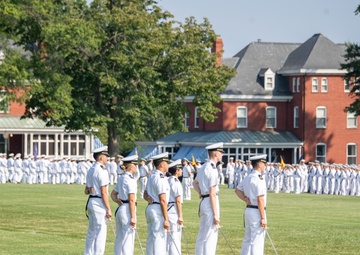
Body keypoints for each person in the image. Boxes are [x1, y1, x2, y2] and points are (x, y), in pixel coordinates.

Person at [193, 142, 224, 255]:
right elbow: (212, 193)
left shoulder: (203, 167)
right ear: (215, 153)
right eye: (220, 152)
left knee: (202, 233)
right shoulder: (213, 169)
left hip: (204, 201)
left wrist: (201, 192)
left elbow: (195, 183)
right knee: (211, 235)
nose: (222, 155)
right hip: (211, 202)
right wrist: (216, 215)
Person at [235, 154, 267, 255]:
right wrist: (262, 218)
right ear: (259, 165)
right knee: (257, 241)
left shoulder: (248, 177)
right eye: (264, 164)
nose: (265, 166)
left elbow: (237, 190)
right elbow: (260, 199)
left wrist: (245, 198)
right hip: (257, 211)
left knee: (247, 240)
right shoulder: (259, 179)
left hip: (249, 210)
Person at [84, 146, 112, 255]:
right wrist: (108, 209)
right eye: (105, 156)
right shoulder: (102, 170)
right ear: (101, 157)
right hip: (99, 202)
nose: (107, 159)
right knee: (101, 232)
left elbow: (87, 189)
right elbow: (104, 192)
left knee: (92, 231)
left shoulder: (91, 169)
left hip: (91, 200)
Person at [111, 155, 138, 255]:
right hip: (127, 209)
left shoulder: (122, 178)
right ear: (131, 166)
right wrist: (133, 217)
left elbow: (113, 194)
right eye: (135, 165)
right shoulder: (130, 180)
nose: (136, 167)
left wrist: (118, 202)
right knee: (128, 239)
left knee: (120, 237)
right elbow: (131, 200)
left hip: (121, 208)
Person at [144, 152, 170, 255]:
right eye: (166, 162)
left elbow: (145, 194)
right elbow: (163, 200)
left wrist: (148, 199)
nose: (167, 165)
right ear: (161, 164)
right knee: (159, 239)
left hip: (151, 207)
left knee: (151, 238)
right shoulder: (160, 178)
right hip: (158, 208)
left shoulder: (152, 176)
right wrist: (166, 219)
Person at [166, 159, 184, 255]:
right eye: (180, 169)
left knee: (168, 238)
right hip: (173, 210)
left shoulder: (167, 180)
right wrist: (180, 216)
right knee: (175, 237)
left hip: (167, 209)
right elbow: (178, 200)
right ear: (176, 170)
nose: (182, 171)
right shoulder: (176, 182)